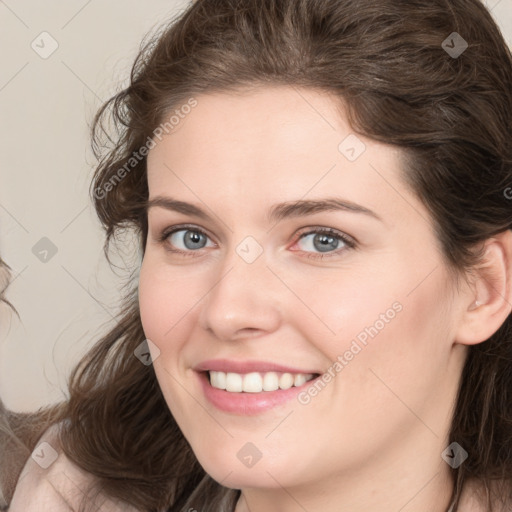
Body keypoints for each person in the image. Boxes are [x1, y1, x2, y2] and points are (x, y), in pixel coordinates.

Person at [2, 0, 512, 510]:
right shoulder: (38, 484)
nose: (228, 312)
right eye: (190, 236)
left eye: (322, 240)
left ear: (484, 288)